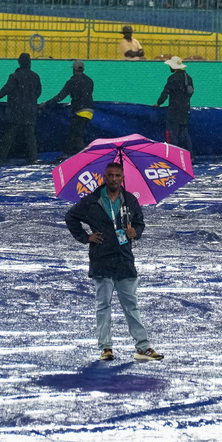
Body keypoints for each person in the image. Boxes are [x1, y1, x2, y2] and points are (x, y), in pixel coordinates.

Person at [64, 160, 163, 363]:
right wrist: (85, 238)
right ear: (104, 177)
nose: (114, 179)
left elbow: (139, 223)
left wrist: (136, 232)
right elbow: (70, 217)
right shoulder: (91, 201)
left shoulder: (130, 201)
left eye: (118, 176)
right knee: (103, 305)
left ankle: (143, 348)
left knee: (131, 305)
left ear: (123, 178)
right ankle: (106, 348)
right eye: (110, 175)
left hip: (124, 259)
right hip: (101, 258)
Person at [0, 52, 42, 164]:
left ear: (19, 62)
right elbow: (38, 92)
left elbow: (6, 89)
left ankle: (1, 158)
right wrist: (31, 101)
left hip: (16, 110)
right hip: (30, 110)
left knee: (9, 135)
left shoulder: (15, 76)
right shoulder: (35, 76)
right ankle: (34, 158)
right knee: (30, 137)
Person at [42, 59, 94, 158]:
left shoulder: (71, 81)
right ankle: (81, 154)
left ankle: (78, 155)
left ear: (74, 69)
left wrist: (47, 103)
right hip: (90, 111)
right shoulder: (90, 81)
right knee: (76, 133)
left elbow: (60, 96)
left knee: (73, 134)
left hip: (79, 111)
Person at [155, 56, 194, 153]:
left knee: (172, 134)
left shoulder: (173, 78)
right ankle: (189, 155)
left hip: (174, 110)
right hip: (185, 109)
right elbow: (190, 92)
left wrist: (159, 103)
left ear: (173, 67)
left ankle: (174, 155)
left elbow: (165, 92)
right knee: (184, 133)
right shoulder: (188, 78)